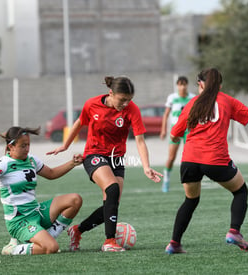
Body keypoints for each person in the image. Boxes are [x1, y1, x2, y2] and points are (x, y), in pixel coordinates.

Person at [165, 68, 248, 254]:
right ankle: (234, 232)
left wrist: (176, 140)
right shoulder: (226, 100)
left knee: (190, 200)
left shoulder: (192, 103)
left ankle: (174, 243)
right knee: (241, 191)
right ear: (220, 85)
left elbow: (174, 134)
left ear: (200, 84)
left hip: (189, 160)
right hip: (215, 159)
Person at [47, 76, 162, 252]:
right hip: (94, 155)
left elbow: (140, 141)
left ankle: (77, 230)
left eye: (129, 100)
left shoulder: (132, 110)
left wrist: (146, 167)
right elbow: (79, 122)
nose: (125, 104)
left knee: (112, 203)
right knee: (113, 189)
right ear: (111, 93)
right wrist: (65, 145)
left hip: (117, 159)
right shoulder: (92, 104)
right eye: (122, 100)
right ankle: (110, 241)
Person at [0, 126, 83, 255]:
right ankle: (12, 250)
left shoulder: (31, 159)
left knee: (75, 200)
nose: (27, 149)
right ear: (11, 147)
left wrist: (72, 163)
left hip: (36, 212)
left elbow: (51, 173)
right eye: (23, 146)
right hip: (19, 221)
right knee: (51, 248)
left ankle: (50, 235)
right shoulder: (4, 164)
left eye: (28, 145)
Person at [159, 76, 195, 193]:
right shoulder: (172, 98)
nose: (182, 87)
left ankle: (192, 180)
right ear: (177, 86)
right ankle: (166, 181)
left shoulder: (192, 98)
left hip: (188, 130)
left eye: (184, 84)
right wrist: (163, 130)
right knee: (171, 157)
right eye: (180, 84)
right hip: (175, 129)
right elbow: (166, 115)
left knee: (191, 157)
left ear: (187, 85)